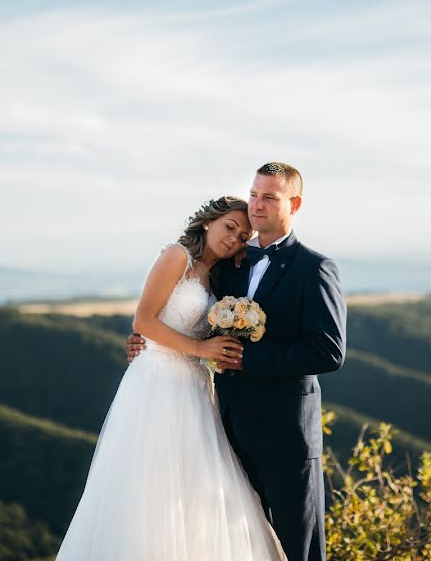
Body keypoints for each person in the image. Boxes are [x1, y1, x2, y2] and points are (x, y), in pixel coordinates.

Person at [128, 163, 348, 561]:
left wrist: (246, 358)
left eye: (270, 197)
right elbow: (184, 317)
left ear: (293, 204)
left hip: (285, 436)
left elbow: (329, 351)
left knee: (298, 551)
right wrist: (145, 339)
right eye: (254, 195)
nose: (257, 205)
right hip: (221, 429)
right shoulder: (228, 265)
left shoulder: (314, 268)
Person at [55, 195, 287, 560]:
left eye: (243, 236)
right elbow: (143, 321)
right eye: (230, 227)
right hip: (158, 384)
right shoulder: (177, 256)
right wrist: (199, 351)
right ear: (209, 222)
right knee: (151, 486)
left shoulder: (219, 276)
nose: (234, 238)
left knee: (196, 488)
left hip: (195, 389)